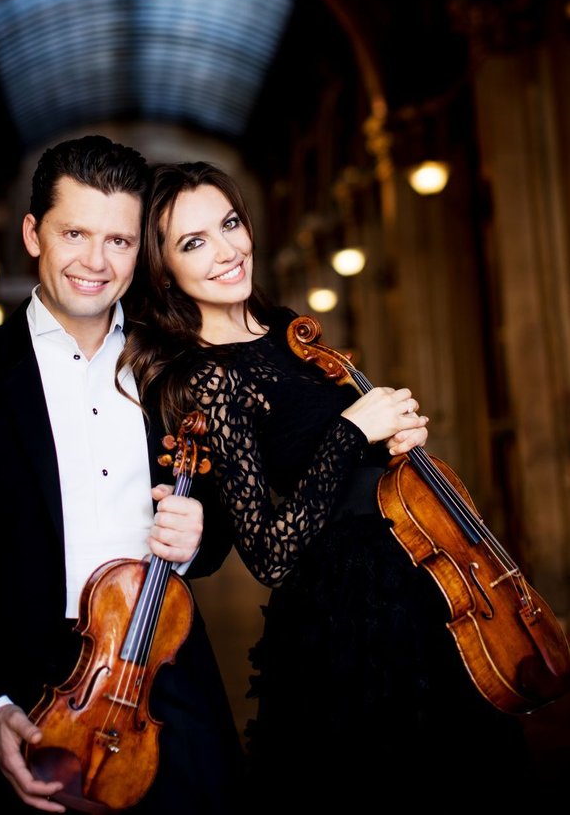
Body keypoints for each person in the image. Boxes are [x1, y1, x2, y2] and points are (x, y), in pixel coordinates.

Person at [118, 160, 538, 804]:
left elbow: (348, 455)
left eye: (230, 224)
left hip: (421, 581)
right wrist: (351, 430)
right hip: (351, 614)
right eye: (194, 242)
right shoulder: (207, 377)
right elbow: (270, 553)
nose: (227, 251)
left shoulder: (288, 329)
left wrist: (392, 435)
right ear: (164, 268)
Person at [0, 137, 245, 815]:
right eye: (74, 233)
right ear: (34, 234)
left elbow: (219, 521)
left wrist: (202, 532)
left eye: (119, 241)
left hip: (168, 686)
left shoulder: (176, 367)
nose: (95, 262)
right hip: (25, 693)